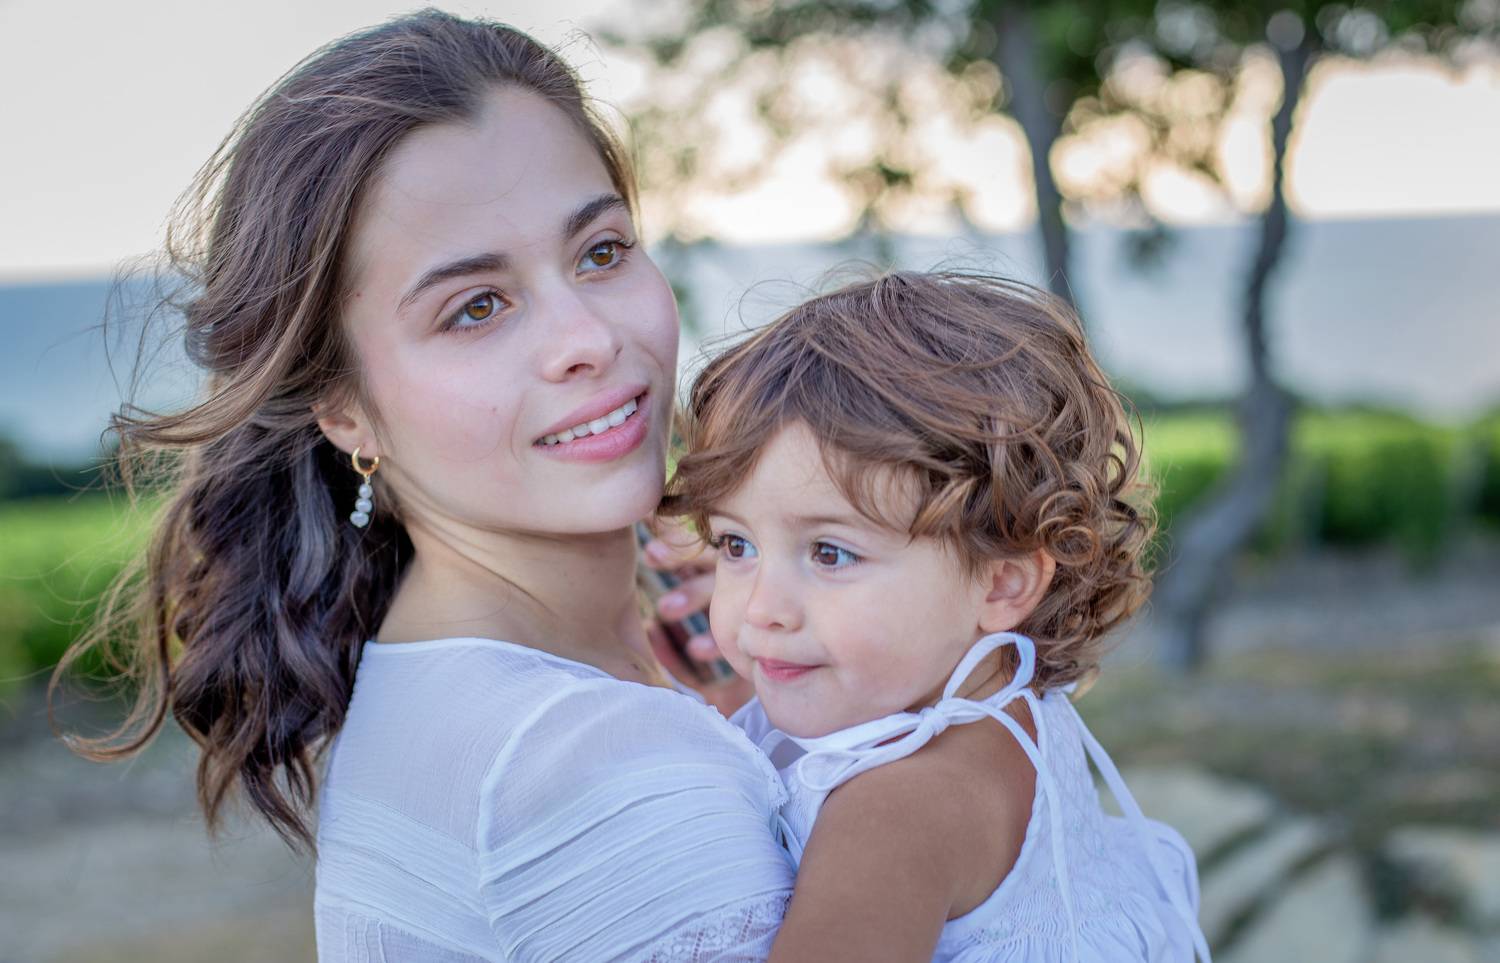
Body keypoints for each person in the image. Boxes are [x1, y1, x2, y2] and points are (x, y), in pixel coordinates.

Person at [53, 10, 796, 960]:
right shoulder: (591, 761)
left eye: (602, 251)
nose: (589, 338)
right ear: (342, 409)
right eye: (476, 307)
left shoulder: (455, 691)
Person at [663, 271, 1216, 961]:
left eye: (830, 553)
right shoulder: (1001, 707)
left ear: (1002, 582)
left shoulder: (897, 810)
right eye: (735, 544)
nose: (761, 608)